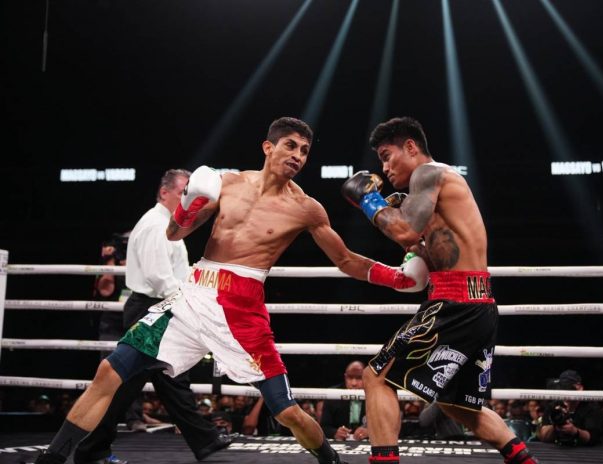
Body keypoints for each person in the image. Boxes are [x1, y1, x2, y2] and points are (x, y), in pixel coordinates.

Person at [36, 117, 428, 464]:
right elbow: (176, 233)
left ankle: (330, 460)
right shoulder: (227, 183)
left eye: (305, 151)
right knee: (110, 371)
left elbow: (345, 261)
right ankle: (52, 459)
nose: (298, 155)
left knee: (285, 409)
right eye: (290, 145)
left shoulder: (307, 208)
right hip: (193, 295)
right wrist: (188, 208)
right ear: (268, 147)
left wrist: (397, 277)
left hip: (242, 308)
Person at [342, 116, 538, 464]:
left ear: (412, 147)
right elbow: (425, 247)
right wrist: (417, 248)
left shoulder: (428, 173)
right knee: (458, 405)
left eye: (388, 155)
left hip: (456, 301)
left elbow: (402, 231)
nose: (384, 167)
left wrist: (369, 201)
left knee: (375, 377)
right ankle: (524, 459)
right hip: (479, 304)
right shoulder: (433, 186)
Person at [71, 169, 231, 464]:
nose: (189, 198)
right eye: (184, 191)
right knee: (133, 381)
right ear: (165, 192)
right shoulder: (156, 225)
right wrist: (189, 305)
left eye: (190, 192)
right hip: (153, 305)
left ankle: (205, 440)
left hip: (159, 305)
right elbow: (160, 277)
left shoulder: (168, 224)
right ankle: (87, 448)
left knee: (168, 376)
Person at [538, 370, 603, 446]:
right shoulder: (554, 406)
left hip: (586, 452)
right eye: (562, 388)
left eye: (567, 388)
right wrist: (556, 425)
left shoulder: (591, 407)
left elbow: (593, 438)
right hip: (558, 450)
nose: (564, 392)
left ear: (579, 388)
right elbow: (543, 437)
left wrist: (575, 431)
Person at [320, 360, 369, 441]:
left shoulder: (374, 395)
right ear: (345, 377)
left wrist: (370, 432)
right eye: (350, 377)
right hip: (340, 444)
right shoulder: (333, 395)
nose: (354, 383)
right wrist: (335, 432)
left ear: (366, 377)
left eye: (359, 378)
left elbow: (386, 426)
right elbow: (324, 427)